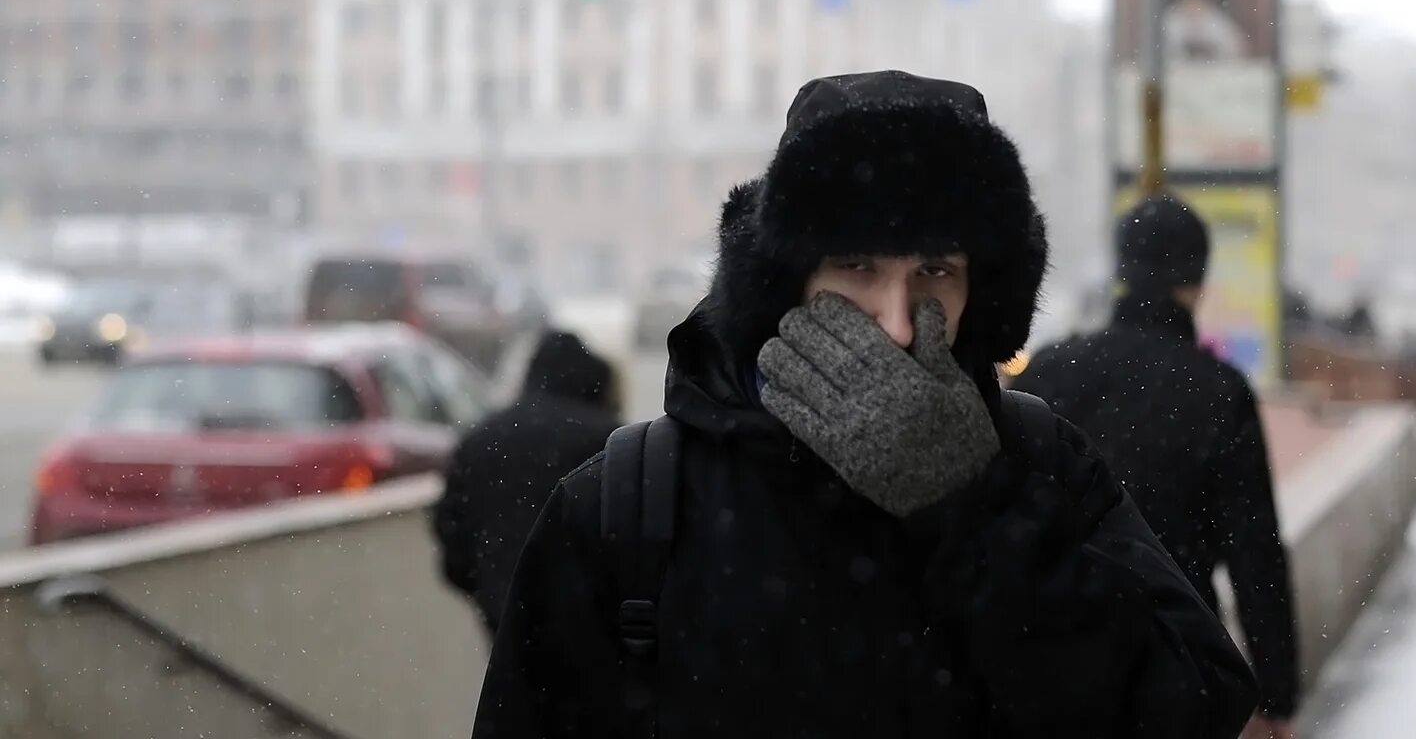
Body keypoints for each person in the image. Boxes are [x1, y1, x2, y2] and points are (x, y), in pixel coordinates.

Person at [472, 71, 1259, 737]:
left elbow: (1194, 705)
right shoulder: (633, 499)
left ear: (981, 293)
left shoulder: (1040, 463)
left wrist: (970, 507)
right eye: (856, 266)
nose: (893, 316)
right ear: (786, 281)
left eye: (936, 273)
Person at [1020, 194, 1301, 739]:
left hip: (1054, 658)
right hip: (1178, 661)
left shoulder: (1049, 374)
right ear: (1197, 282)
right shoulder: (1219, 391)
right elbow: (1255, 554)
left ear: (1121, 270)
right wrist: (1277, 695)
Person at [432, 329, 622, 637]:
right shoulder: (608, 440)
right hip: (593, 627)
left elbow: (453, 534)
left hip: (506, 618)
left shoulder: (483, 439)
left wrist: (490, 589)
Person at [1167, 0, 1249, 62]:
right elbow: (1163, 50)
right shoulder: (1171, 21)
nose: (1194, 3)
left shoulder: (1217, 21)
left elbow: (1238, 49)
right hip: (1178, 74)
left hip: (1216, 74)